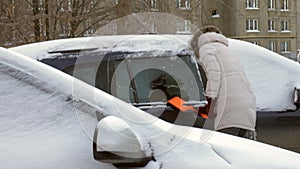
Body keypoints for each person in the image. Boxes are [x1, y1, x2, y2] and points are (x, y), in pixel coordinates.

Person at [190, 25, 257, 140]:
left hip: (228, 107)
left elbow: (214, 74)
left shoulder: (206, 47)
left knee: (227, 151)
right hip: (247, 106)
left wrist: (209, 100)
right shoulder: (226, 50)